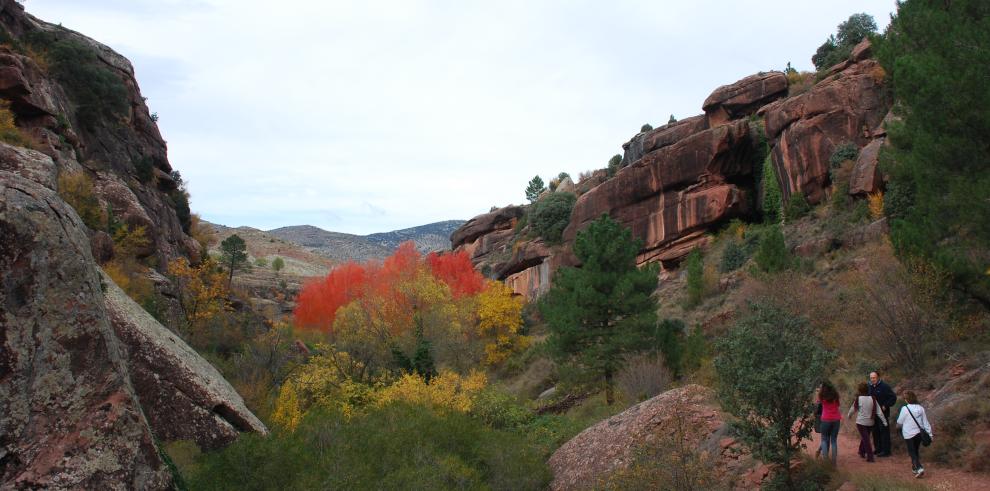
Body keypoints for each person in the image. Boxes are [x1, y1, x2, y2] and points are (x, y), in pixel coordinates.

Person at [897, 391, 933, 478]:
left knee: (912, 452)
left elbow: (899, 421)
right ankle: (914, 467)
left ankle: (919, 468)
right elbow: (925, 422)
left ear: (907, 399)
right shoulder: (920, 408)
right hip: (919, 433)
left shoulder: (905, 409)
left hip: (908, 434)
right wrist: (930, 434)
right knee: (915, 450)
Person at [848, 382, 887, 462]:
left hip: (861, 422)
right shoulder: (873, 399)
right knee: (865, 437)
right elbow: (879, 411)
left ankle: (870, 457)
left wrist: (849, 415)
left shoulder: (858, 399)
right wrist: (884, 421)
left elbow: (853, 409)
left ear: (859, 390)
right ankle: (861, 451)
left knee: (866, 439)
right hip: (870, 422)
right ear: (868, 390)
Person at [869, 370, 897, 456]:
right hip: (873, 414)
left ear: (878, 377)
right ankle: (878, 449)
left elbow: (893, 397)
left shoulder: (884, 386)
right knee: (875, 432)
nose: (872, 379)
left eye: (874, 378)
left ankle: (886, 451)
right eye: (871, 378)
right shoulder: (869, 387)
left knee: (884, 432)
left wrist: (886, 405)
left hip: (883, 414)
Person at [817, 381, 841, 464]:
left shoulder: (821, 395)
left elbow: (818, 404)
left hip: (826, 419)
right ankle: (834, 462)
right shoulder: (836, 395)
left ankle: (826, 461)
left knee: (824, 439)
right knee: (834, 441)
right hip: (836, 419)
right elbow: (838, 405)